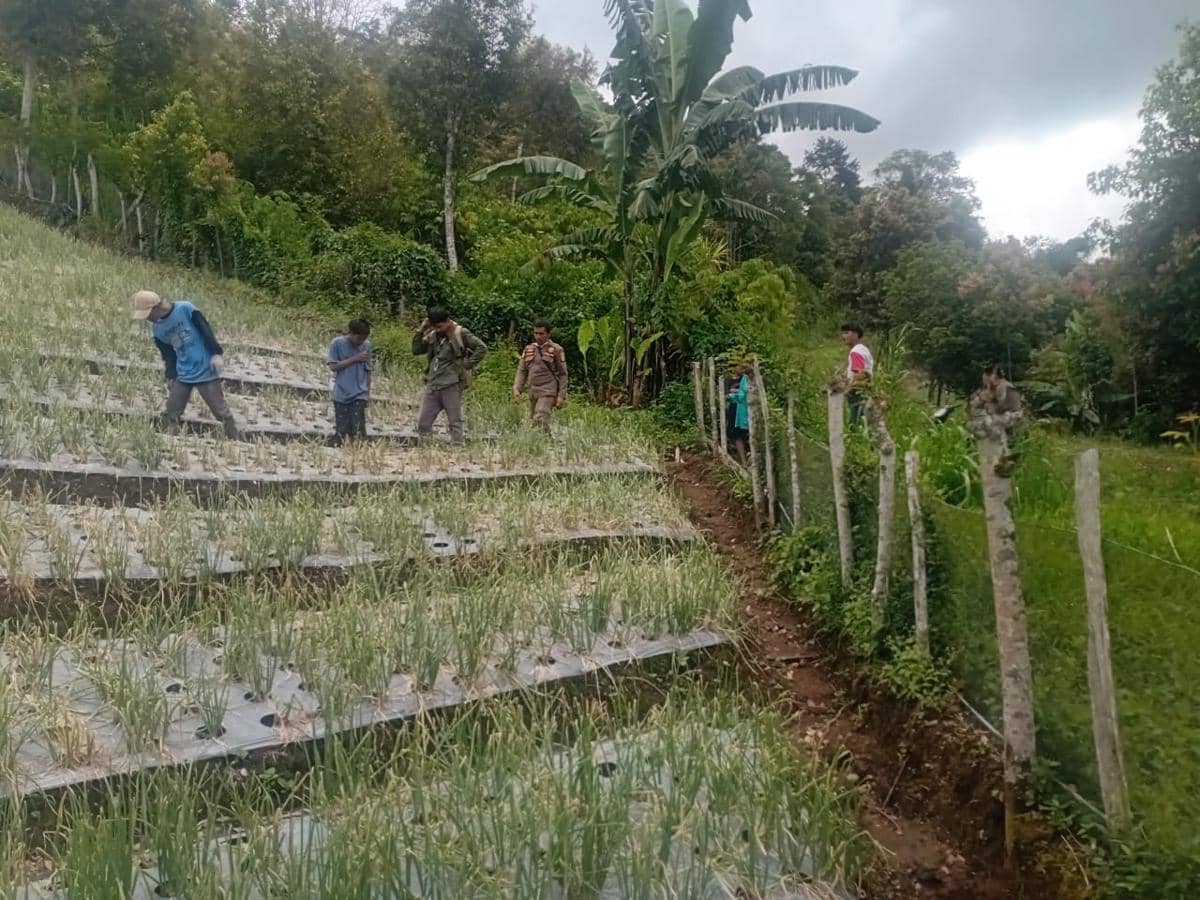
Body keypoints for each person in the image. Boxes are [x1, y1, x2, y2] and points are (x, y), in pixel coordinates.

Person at [131, 290, 240, 439]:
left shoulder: (185, 309)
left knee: (221, 411)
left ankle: (235, 439)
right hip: (183, 372)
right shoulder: (158, 330)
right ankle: (169, 440)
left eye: (148, 314)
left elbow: (205, 329)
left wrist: (216, 353)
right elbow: (168, 355)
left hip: (205, 369)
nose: (148, 318)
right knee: (172, 411)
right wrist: (170, 375)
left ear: (156, 307)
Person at [412, 306, 487, 446]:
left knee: (454, 421)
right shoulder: (433, 335)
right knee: (423, 422)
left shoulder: (460, 333)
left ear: (447, 321)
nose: (438, 329)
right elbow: (416, 350)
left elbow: (481, 348)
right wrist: (421, 330)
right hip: (433, 383)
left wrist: (466, 366)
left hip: (452, 383)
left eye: (440, 326)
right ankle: (426, 450)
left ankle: (457, 450)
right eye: (434, 326)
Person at [513, 321, 568, 431]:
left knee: (541, 417)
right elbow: (522, 371)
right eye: (536, 333)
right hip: (533, 391)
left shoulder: (556, 349)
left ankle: (539, 441)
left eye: (541, 333)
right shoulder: (529, 349)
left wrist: (561, 395)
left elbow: (563, 374)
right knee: (534, 419)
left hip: (548, 390)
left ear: (548, 334)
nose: (538, 336)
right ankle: (546, 443)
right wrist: (517, 388)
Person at [327, 318, 372, 445]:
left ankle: (356, 454)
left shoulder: (367, 345)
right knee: (341, 430)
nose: (361, 342)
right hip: (341, 392)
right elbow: (333, 366)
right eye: (359, 339)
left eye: (364, 339)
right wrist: (355, 358)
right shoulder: (337, 343)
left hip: (359, 393)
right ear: (351, 333)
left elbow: (368, 370)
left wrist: (368, 392)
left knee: (358, 430)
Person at [840, 323, 874, 426]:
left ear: (855, 334)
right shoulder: (863, 349)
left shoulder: (856, 352)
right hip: (865, 389)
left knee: (855, 421)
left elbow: (859, 374)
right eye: (843, 333)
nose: (843, 336)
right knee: (863, 419)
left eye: (847, 333)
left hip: (857, 392)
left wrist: (847, 390)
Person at [726, 362, 751, 466]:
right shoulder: (729, 380)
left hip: (745, 409)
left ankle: (749, 460)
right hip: (735, 409)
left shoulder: (746, 379)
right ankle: (744, 461)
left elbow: (742, 395)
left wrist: (731, 396)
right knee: (736, 435)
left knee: (747, 434)